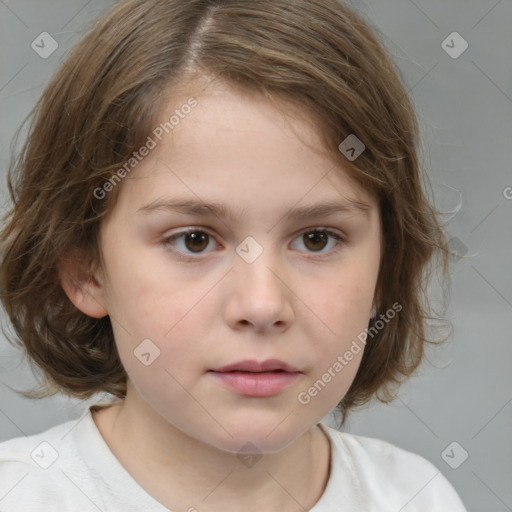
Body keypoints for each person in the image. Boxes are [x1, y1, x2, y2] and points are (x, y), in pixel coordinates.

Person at [0, 0, 467, 510]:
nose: (263, 305)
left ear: (387, 264)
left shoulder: (417, 497)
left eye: (317, 239)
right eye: (194, 240)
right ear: (85, 269)